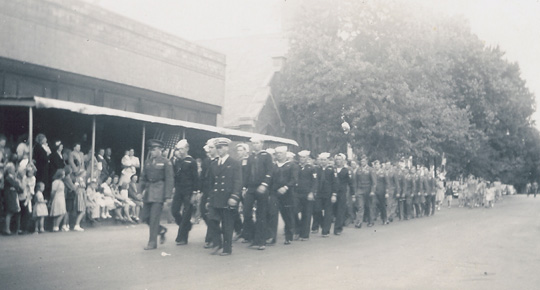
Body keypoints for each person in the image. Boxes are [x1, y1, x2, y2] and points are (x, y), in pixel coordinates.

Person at [206, 138, 242, 256]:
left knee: (227, 224)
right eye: (217, 148)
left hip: (228, 197)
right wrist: (208, 199)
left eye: (221, 147)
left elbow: (238, 181)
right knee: (211, 220)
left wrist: (235, 196)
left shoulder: (234, 163)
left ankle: (227, 248)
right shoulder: (214, 163)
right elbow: (211, 184)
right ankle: (218, 243)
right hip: (216, 197)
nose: (219, 150)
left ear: (227, 148)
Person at [140, 139, 174, 250]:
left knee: (154, 218)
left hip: (159, 192)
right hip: (149, 192)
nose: (152, 152)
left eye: (154, 149)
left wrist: (168, 196)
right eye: (151, 150)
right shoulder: (148, 162)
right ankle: (161, 230)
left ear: (160, 150)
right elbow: (143, 178)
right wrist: (140, 191)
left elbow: (169, 180)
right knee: (144, 217)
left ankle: (152, 242)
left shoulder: (166, 162)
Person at [241, 137, 273, 250]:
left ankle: (261, 241)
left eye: (257, 143)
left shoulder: (266, 156)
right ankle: (252, 235)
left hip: (262, 188)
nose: (255, 145)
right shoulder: (250, 157)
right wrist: (244, 187)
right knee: (246, 212)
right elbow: (246, 173)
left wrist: (264, 184)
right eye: (253, 143)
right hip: (251, 188)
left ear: (262, 144)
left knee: (261, 214)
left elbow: (270, 171)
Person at [170, 139, 200, 245]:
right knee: (174, 211)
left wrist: (195, 193)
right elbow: (175, 175)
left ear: (187, 149)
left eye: (182, 149)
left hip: (189, 190)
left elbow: (196, 178)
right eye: (179, 149)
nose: (180, 151)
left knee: (186, 213)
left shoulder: (191, 161)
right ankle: (187, 226)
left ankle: (182, 237)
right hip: (179, 190)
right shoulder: (177, 161)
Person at [268, 146, 298, 245]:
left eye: (281, 153)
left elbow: (294, 179)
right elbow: (270, 179)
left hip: (287, 194)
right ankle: (272, 237)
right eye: (277, 153)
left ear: (285, 154)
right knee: (272, 214)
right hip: (274, 193)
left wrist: (285, 187)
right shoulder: (273, 166)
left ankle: (289, 236)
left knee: (287, 215)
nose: (279, 155)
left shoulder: (292, 165)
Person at [312, 152, 337, 237]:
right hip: (319, 193)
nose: (323, 161)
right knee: (317, 210)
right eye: (321, 160)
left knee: (328, 212)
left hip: (328, 193)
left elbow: (334, 183)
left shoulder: (331, 169)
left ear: (328, 160)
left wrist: (334, 194)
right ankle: (323, 224)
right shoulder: (317, 169)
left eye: (324, 160)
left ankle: (325, 231)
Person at [294, 150, 317, 240]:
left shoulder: (311, 168)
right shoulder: (296, 167)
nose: (302, 159)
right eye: (300, 157)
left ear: (307, 158)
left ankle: (304, 234)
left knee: (306, 214)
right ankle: (298, 229)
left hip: (307, 193)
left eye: (304, 157)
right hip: (297, 193)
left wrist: (312, 192)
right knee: (294, 211)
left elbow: (315, 182)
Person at [200, 139, 219, 249]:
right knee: (203, 212)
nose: (209, 150)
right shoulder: (206, 161)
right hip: (206, 190)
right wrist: (199, 191)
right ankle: (215, 233)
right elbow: (202, 176)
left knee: (212, 214)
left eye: (211, 148)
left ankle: (211, 238)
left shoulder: (219, 160)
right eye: (209, 148)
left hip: (216, 190)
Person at [333, 153, 353, 235]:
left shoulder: (346, 170)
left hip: (342, 192)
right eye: (337, 159)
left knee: (340, 210)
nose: (338, 161)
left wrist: (353, 193)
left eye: (340, 159)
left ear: (343, 161)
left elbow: (350, 183)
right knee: (333, 210)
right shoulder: (332, 169)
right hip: (333, 192)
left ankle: (338, 228)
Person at [354, 155, 376, 228]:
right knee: (360, 206)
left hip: (368, 189)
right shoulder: (358, 170)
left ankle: (371, 221)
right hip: (360, 189)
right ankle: (359, 222)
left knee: (369, 206)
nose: (362, 162)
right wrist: (356, 191)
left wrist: (372, 191)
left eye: (363, 161)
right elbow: (355, 181)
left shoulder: (370, 169)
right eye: (361, 161)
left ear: (366, 161)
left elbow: (374, 182)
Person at [3, 163, 22, 235]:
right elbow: (15, 184)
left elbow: (18, 188)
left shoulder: (12, 178)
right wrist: (17, 183)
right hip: (9, 196)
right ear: (9, 170)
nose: (14, 170)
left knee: (15, 212)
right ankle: (7, 229)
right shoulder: (8, 178)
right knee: (10, 212)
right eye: (12, 169)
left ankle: (16, 228)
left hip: (14, 196)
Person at [19, 165, 36, 234]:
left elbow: (31, 186)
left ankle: (27, 228)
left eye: (32, 172)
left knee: (28, 212)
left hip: (29, 196)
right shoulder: (24, 178)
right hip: (23, 196)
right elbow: (23, 186)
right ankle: (22, 228)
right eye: (29, 172)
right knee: (24, 212)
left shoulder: (33, 178)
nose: (30, 173)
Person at [34, 134, 51, 198]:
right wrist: (47, 154)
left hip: (44, 167)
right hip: (41, 168)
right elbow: (42, 157)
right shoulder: (38, 147)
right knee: (42, 181)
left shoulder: (42, 146)